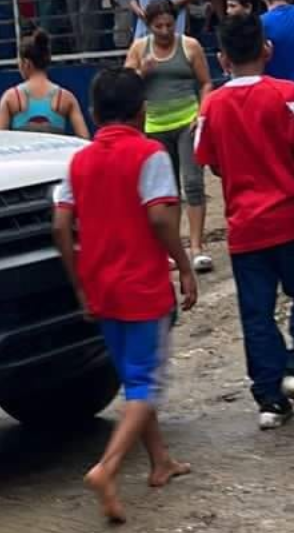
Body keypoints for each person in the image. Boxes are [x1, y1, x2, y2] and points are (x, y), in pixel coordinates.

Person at [51, 68, 197, 524]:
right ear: (142, 111)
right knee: (146, 383)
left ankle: (160, 461)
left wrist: (77, 282)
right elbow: (159, 219)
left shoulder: (79, 161)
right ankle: (108, 467)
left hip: (100, 286)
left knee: (134, 379)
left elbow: (60, 225)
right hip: (142, 285)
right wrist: (185, 265)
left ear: (93, 113)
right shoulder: (149, 155)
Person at [194, 13, 294, 430]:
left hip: (245, 227)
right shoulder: (288, 94)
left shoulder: (211, 106)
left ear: (222, 58)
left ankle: (269, 399)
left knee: (257, 312)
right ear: (266, 50)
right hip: (292, 217)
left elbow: (211, 161)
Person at [125, 0, 213, 272]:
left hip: (187, 121)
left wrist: (201, 115)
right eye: (158, 26)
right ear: (149, 26)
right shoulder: (140, 48)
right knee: (165, 191)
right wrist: (142, 71)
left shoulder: (189, 46)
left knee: (193, 183)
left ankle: (197, 246)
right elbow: (124, 83)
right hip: (155, 126)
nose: (164, 30)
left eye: (169, 24)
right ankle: (171, 248)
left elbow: (206, 82)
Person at [0, 29, 90, 138]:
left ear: (26, 63)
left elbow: (0, 140)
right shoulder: (66, 98)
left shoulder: (10, 97)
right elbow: (85, 139)